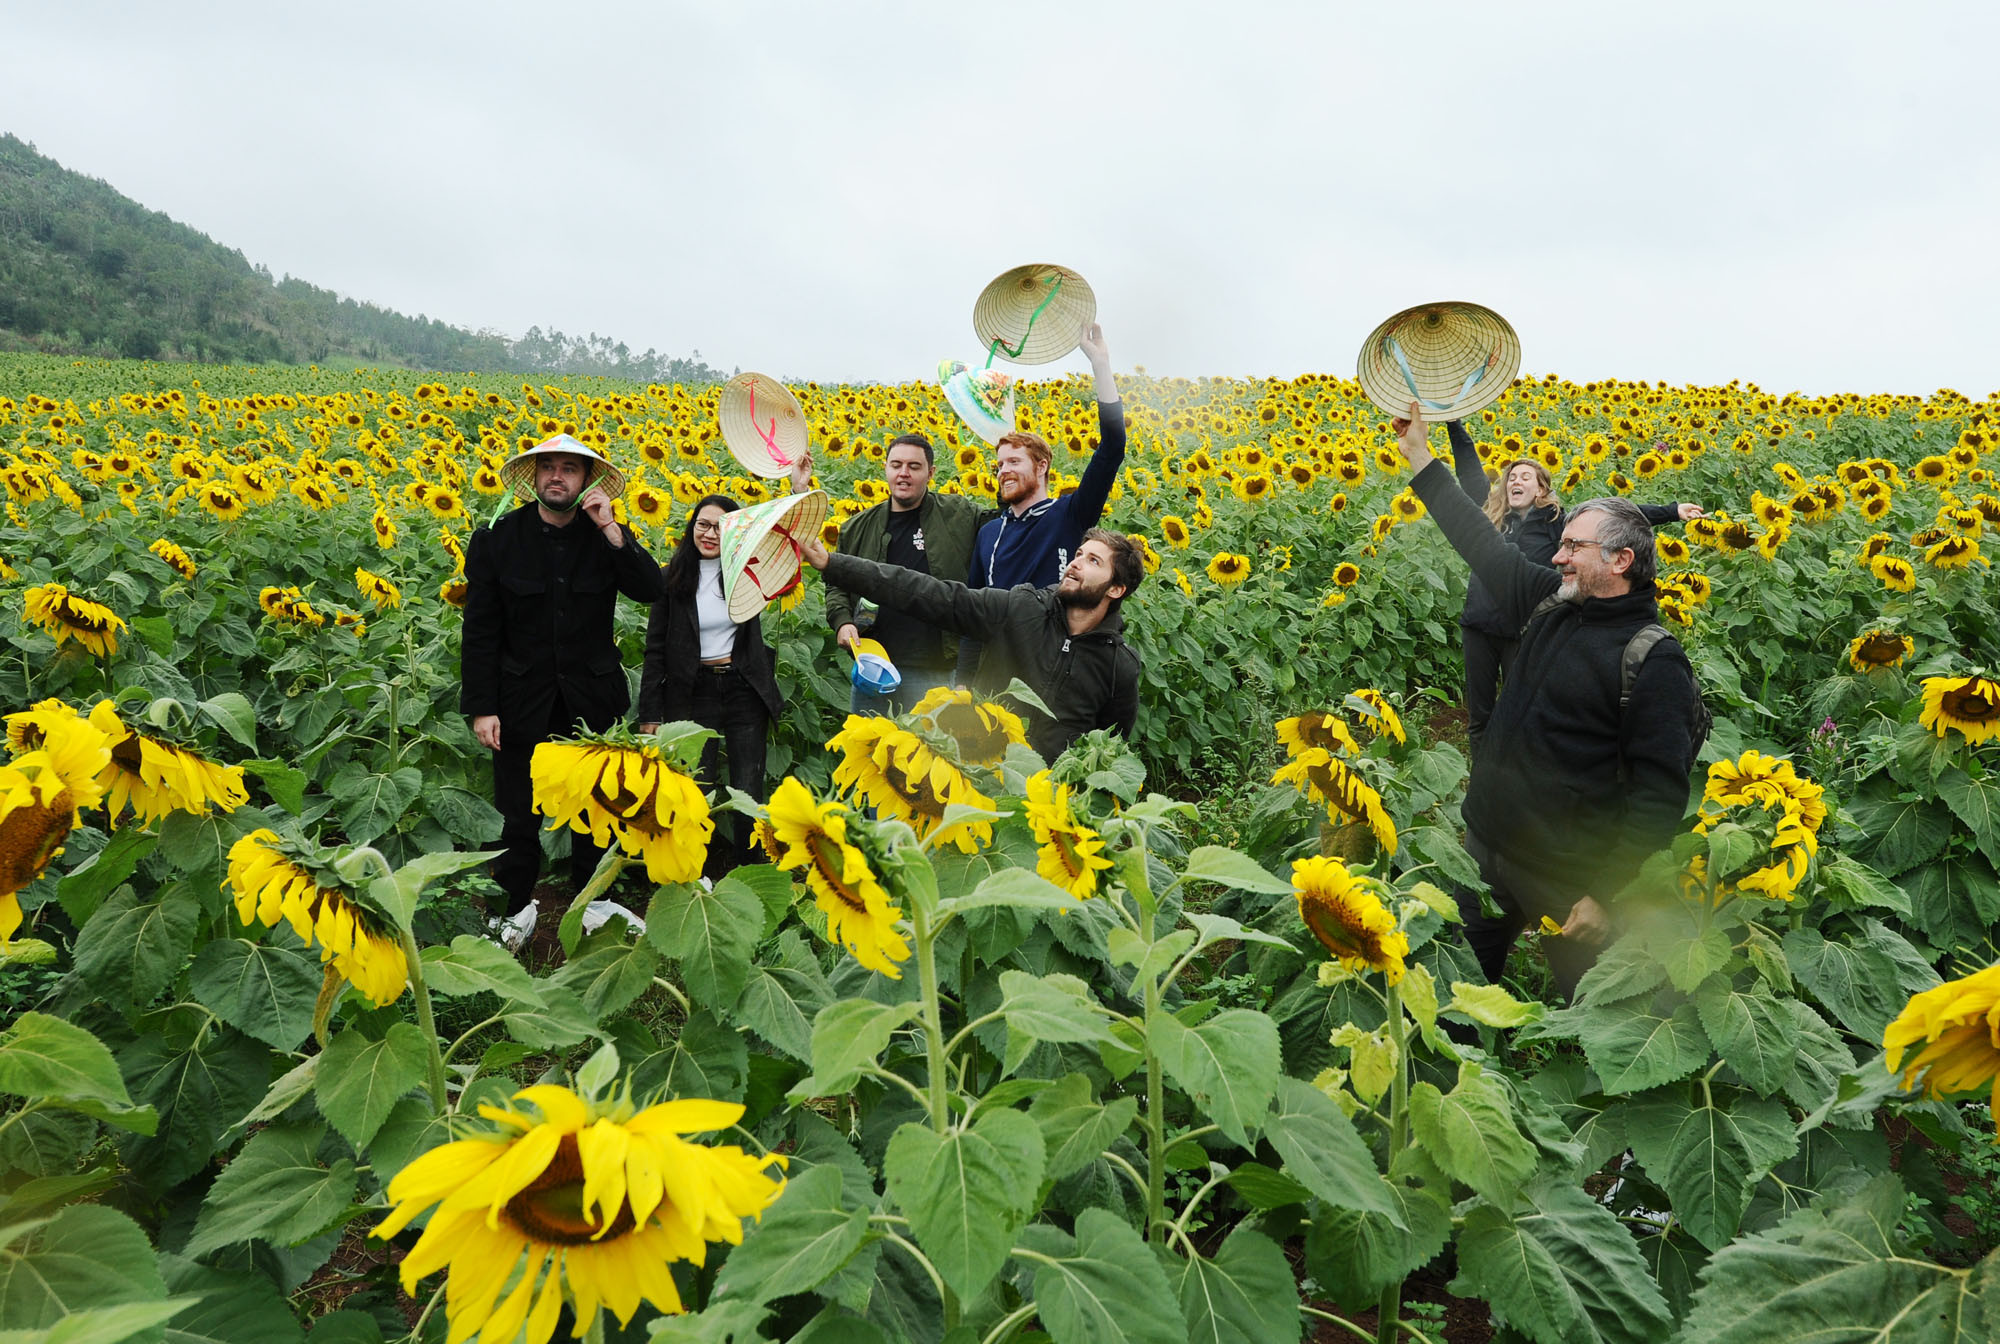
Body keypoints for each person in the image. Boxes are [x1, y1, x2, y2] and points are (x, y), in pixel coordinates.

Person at [1396, 404, 1699, 999]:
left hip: (1564, 877)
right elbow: (1478, 539)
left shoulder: (1650, 658)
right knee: (1450, 998)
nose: (1556, 557)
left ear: (1620, 561)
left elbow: (1658, 796)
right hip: (1486, 850)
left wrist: (1607, 892)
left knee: (1595, 1013)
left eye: (1571, 547)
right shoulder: (1548, 602)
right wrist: (1419, 456)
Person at [460, 435, 662, 928]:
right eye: (547, 467)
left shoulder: (605, 537)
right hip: (518, 700)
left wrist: (612, 527)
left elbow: (651, 589)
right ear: (533, 478)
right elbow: (480, 628)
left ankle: (592, 904)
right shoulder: (498, 538)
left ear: (586, 481)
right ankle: (511, 910)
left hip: (590, 697)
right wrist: (482, 706)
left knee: (595, 806)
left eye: (569, 469)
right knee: (517, 810)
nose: (557, 476)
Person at [1444, 421, 1704, 754]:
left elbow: (1611, 519)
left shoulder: (1558, 523)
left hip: (1525, 628)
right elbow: (1468, 467)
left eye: (1526, 476)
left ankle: (1512, 775)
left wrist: (1671, 511)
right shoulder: (1491, 517)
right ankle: (1480, 773)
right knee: (1480, 714)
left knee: (1518, 708)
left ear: (1541, 489)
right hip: (1478, 626)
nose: (1515, 481)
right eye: (1511, 476)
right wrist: (1454, 421)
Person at [801, 525, 1142, 760]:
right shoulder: (1020, 609)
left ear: (1115, 589)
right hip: (980, 772)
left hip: (1047, 804)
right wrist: (833, 564)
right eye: (1079, 554)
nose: (1076, 563)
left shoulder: (1118, 666)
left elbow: (1108, 750)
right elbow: (931, 594)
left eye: (1093, 561)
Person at [958, 322, 1124, 687]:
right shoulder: (989, 533)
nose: (1004, 471)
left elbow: (1112, 448)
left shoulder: (1069, 514)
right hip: (995, 672)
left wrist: (1100, 364)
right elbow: (974, 612)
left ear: (1042, 465)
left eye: (1014, 461)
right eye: (1000, 464)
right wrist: (962, 683)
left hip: (1053, 671)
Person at [636, 493, 785, 881]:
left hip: (742, 686)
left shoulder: (747, 572)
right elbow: (654, 649)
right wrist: (649, 713)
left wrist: (795, 484)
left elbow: (783, 543)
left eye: (721, 527)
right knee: (694, 785)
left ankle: (750, 872)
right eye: (703, 524)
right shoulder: (671, 578)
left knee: (748, 786)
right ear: (692, 527)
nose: (710, 533)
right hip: (691, 690)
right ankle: (692, 871)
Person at [821, 433, 989, 713]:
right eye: (896, 465)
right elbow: (836, 584)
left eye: (914, 466)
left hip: (935, 670)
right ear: (885, 468)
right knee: (869, 751)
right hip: (873, 667)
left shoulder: (959, 515)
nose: (903, 474)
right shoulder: (857, 527)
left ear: (931, 473)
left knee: (928, 753)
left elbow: (1005, 526)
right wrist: (841, 620)